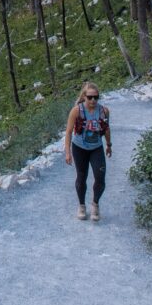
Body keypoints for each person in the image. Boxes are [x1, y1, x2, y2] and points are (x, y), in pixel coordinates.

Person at [65, 81, 111, 221]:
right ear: (84, 96)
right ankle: (81, 206)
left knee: (100, 177)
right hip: (79, 148)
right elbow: (68, 132)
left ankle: (95, 204)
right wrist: (68, 152)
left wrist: (109, 144)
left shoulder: (104, 111)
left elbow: (106, 128)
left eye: (96, 97)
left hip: (96, 147)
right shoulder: (77, 111)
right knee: (81, 176)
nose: (93, 100)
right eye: (90, 97)